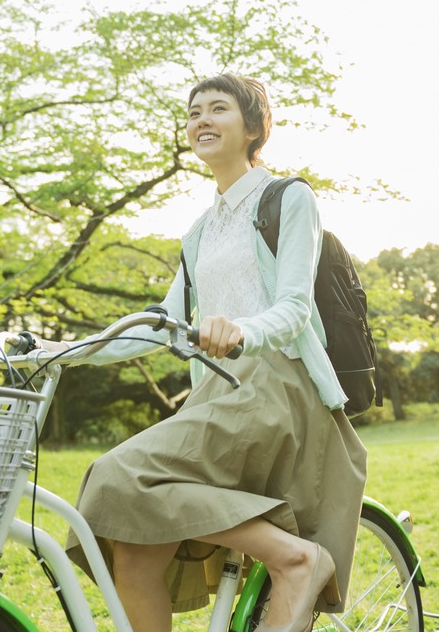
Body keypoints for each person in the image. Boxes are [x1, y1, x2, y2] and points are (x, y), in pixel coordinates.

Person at [29, 73, 367, 632]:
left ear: (255, 127)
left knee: (117, 476)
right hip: (219, 393)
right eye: (193, 113)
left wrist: (241, 332)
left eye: (218, 108)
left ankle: (297, 559)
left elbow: (294, 309)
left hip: (278, 386)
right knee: (134, 546)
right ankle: (287, 554)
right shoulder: (198, 232)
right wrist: (59, 350)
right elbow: (159, 328)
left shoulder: (287, 198)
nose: (202, 119)